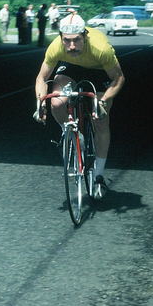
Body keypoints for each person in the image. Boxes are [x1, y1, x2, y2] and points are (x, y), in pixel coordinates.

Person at [33, 13, 126, 190]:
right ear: (60, 37)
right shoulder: (56, 47)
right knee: (57, 103)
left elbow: (119, 78)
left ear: (85, 35)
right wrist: (40, 103)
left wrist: (104, 100)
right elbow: (41, 78)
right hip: (71, 68)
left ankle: (98, 175)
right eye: (67, 41)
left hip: (99, 70)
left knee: (100, 118)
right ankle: (70, 132)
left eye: (77, 40)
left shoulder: (101, 48)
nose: (72, 46)